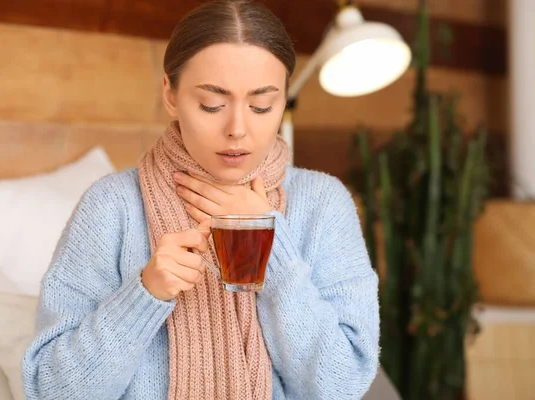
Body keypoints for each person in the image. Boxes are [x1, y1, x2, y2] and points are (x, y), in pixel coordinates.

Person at [21, 0, 380, 399]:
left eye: (262, 105)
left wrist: (272, 250)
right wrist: (145, 294)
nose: (238, 129)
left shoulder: (323, 205)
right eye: (212, 104)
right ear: (170, 95)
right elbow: (52, 390)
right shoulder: (111, 207)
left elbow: (342, 385)